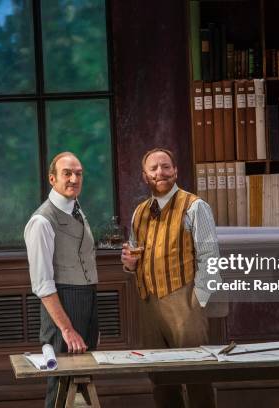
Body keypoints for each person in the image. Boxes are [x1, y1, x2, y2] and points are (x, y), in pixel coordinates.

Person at [121, 147, 222, 408]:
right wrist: (130, 265)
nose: (160, 172)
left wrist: (197, 302)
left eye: (166, 166)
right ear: (145, 176)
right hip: (148, 306)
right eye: (153, 168)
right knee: (161, 379)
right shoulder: (138, 212)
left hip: (185, 303)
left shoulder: (195, 206)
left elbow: (210, 258)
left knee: (196, 377)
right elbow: (134, 255)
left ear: (175, 171)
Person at [24, 152, 99, 408]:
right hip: (63, 309)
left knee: (82, 383)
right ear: (52, 178)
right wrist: (67, 328)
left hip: (86, 302)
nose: (74, 178)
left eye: (78, 173)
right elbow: (42, 285)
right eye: (67, 173)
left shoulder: (75, 208)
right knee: (60, 388)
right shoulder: (42, 221)